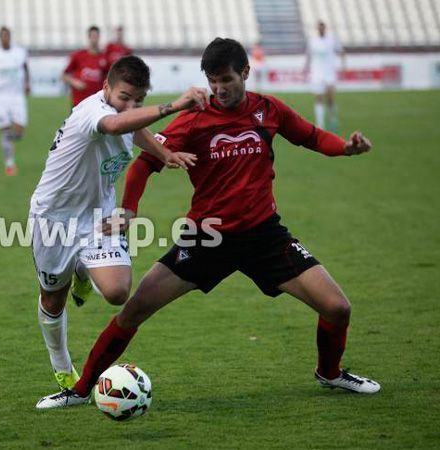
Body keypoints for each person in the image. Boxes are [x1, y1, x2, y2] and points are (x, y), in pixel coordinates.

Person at [36, 37, 380, 409]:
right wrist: (130, 209)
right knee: (134, 308)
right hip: (207, 237)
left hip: (265, 236)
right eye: (212, 80)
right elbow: (144, 163)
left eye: (226, 80)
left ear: (245, 73)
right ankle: (80, 389)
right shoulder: (196, 119)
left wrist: (344, 147)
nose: (219, 88)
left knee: (338, 308)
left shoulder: (268, 110)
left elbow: (310, 137)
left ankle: (329, 372)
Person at [30, 54, 206, 393]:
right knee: (53, 299)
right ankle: (62, 366)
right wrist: (173, 106)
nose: (130, 106)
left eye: (137, 100)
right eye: (124, 97)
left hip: (99, 217)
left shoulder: (125, 113)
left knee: (116, 292)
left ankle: (83, 269)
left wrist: (163, 153)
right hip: (53, 218)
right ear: (105, 87)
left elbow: (133, 127)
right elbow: (113, 126)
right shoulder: (91, 112)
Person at [0, 26, 31, 176]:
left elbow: (26, 68)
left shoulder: (20, 52)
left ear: (10, 36)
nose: (5, 38)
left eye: (7, 35)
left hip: (17, 96)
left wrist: (28, 83)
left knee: (20, 131)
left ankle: (7, 140)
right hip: (0, 97)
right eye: (2, 36)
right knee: (4, 129)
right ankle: (9, 163)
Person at [304, 20, 345, 132]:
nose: (321, 29)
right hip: (317, 72)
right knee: (318, 98)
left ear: (325, 28)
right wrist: (306, 68)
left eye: (322, 27)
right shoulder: (312, 40)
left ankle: (333, 120)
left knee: (330, 99)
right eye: (319, 28)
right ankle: (320, 124)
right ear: (317, 29)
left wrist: (343, 66)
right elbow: (308, 55)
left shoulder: (332, 39)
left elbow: (341, 51)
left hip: (329, 72)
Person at [62, 26, 109, 107]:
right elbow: (64, 75)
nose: (94, 39)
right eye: (92, 36)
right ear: (88, 37)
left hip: (97, 103)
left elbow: (108, 77)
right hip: (79, 103)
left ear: (99, 38)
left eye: (96, 36)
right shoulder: (78, 55)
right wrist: (75, 82)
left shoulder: (104, 58)